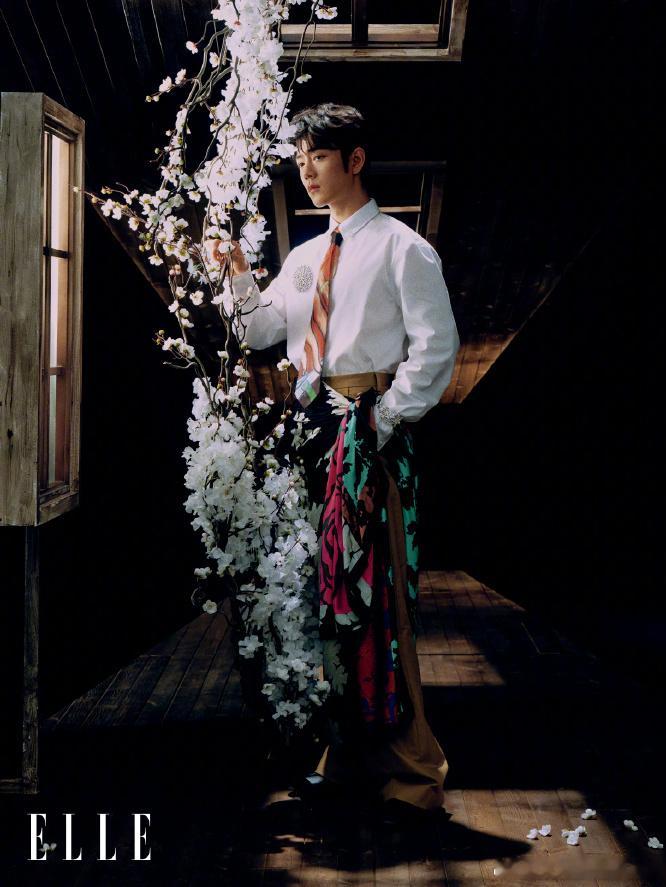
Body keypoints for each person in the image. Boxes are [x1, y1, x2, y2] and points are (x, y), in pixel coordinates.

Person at [209, 103, 459, 824]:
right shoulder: (306, 258)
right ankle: (343, 755)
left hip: (370, 435)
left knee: (381, 599)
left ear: (355, 159)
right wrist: (238, 275)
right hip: (312, 430)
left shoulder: (403, 248)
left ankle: (413, 771)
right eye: (300, 159)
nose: (307, 170)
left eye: (318, 155)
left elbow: (436, 348)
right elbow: (263, 329)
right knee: (328, 600)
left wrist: (382, 417)